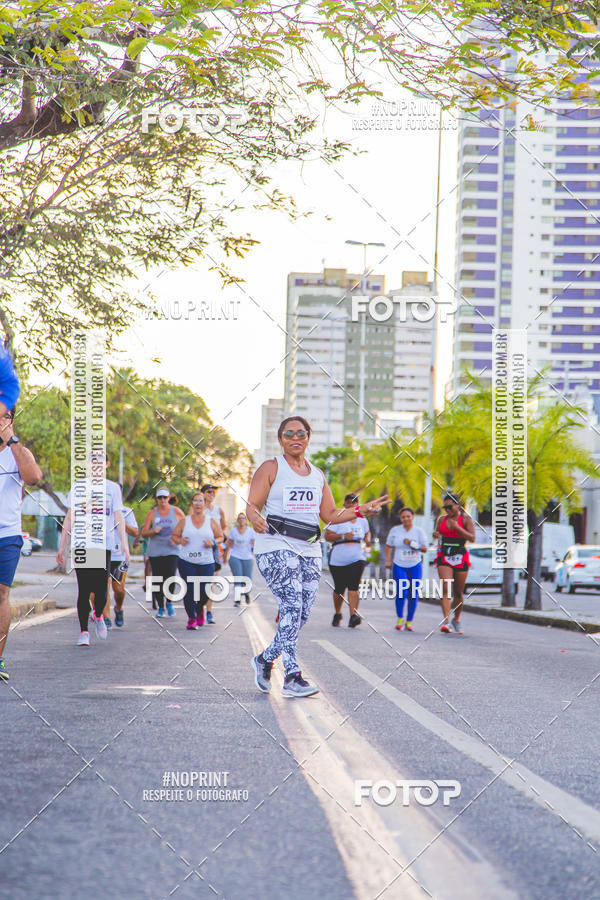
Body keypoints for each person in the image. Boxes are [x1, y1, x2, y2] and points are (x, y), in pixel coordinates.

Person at [247, 416, 388, 698]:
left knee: (301, 613)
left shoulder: (317, 474)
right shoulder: (271, 467)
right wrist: (254, 519)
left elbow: (331, 516)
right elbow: (252, 505)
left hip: (310, 548)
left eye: (301, 433)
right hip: (275, 545)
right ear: (281, 439)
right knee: (290, 605)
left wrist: (363, 510)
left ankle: (264, 659)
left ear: (309, 437)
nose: (295, 437)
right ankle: (291, 675)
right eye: (289, 434)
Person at [57, 453, 128, 646]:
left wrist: (125, 545)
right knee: (84, 589)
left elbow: (118, 517)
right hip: (82, 544)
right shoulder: (79, 487)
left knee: (101, 590)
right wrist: (62, 545)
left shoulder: (112, 488)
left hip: (103, 544)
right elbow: (70, 517)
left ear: (107, 464)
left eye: (100, 462)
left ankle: (98, 616)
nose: (96, 465)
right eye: (93, 462)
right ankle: (83, 632)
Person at [0, 405, 42, 680]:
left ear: (9, 419)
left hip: (6, 535)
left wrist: (11, 438)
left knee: (1, 594)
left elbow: (34, 478)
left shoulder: (17, 454)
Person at [171, 492, 223, 629]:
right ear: (192, 504)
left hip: (206, 561)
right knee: (190, 589)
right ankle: (191, 618)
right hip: (186, 560)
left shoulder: (211, 521)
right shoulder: (184, 521)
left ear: (205, 504)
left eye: (201, 501)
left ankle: (200, 609)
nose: (198, 504)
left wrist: (212, 542)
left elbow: (221, 537)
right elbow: (174, 536)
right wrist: (180, 540)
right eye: (195, 501)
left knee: (204, 591)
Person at [324, 492, 370, 628]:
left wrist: (367, 539)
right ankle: (338, 613)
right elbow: (327, 536)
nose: (351, 504)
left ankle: (353, 616)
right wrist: (343, 536)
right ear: (345, 504)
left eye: (354, 502)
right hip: (338, 558)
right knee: (339, 589)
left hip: (357, 557)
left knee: (353, 587)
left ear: (357, 505)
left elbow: (367, 532)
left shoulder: (363, 520)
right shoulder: (338, 517)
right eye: (348, 502)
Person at [433, 493, 476, 634]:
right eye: (445, 507)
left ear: (458, 505)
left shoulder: (466, 519)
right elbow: (437, 532)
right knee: (446, 587)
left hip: (460, 554)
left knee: (458, 591)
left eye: (450, 506)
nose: (447, 510)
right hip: (445, 554)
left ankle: (456, 619)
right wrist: (436, 535)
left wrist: (456, 528)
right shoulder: (441, 519)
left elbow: (472, 538)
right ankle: (446, 621)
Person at [141, 488, 185, 618]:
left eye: (164, 498)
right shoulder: (152, 513)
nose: (162, 500)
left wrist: (177, 538)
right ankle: (160, 607)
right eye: (159, 498)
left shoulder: (176, 511)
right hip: (156, 551)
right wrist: (153, 530)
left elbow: (187, 527)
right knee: (158, 579)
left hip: (172, 550)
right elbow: (144, 532)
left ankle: (169, 603)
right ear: (157, 499)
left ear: (169, 498)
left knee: (170, 576)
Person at [385, 507, 428, 632]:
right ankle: (400, 619)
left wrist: (412, 543)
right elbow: (388, 546)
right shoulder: (395, 530)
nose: (406, 519)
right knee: (401, 592)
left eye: (408, 516)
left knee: (413, 594)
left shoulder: (419, 531)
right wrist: (388, 560)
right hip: (399, 564)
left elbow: (425, 549)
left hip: (415, 565)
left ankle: (409, 621)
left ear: (413, 516)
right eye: (403, 517)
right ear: (401, 518)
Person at [106, 502, 138, 627]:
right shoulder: (99, 511)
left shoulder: (126, 511)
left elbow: (135, 532)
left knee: (118, 589)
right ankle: (106, 618)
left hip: (120, 556)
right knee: (104, 587)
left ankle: (118, 608)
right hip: (103, 554)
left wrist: (120, 522)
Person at [201, 484, 227, 623]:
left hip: (213, 548)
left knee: (211, 581)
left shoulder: (218, 510)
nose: (212, 494)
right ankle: (198, 609)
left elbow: (223, 528)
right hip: (198, 547)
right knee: (199, 581)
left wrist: (218, 541)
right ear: (203, 493)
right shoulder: (198, 509)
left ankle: (209, 612)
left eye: (214, 492)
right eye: (209, 491)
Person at [224, 513, 255, 606]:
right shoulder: (233, 531)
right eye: (240, 518)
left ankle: (246, 594)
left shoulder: (251, 531)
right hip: (235, 556)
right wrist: (225, 556)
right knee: (238, 577)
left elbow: (254, 545)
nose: (241, 520)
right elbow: (229, 543)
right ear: (238, 521)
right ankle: (237, 599)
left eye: (243, 518)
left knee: (247, 578)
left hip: (247, 557)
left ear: (246, 520)